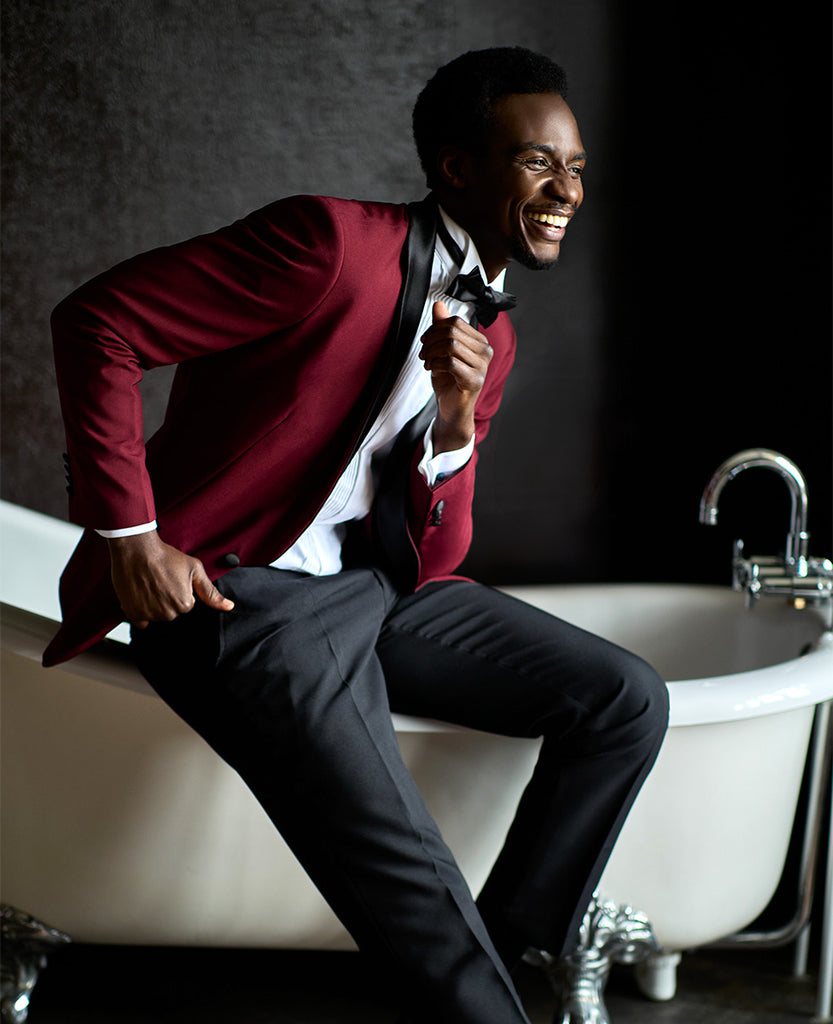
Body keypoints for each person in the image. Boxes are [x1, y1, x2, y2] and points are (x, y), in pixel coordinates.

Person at [43, 47, 668, 1023]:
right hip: (241, 601)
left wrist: (457, 420)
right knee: (412, 879)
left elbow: (439, 557)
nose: (564, 190)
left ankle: (499, 971)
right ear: (457, 168)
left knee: (623, 699)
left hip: (373, 594)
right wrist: (131, 536)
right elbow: (98, 323)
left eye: (575, 166)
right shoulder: (328, 243)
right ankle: (472, 990)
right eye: (536, 162)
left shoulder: (492, 337)